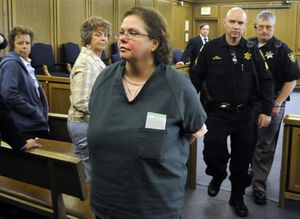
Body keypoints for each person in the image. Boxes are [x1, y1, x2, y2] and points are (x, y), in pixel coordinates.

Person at [87, 6, 207, 219]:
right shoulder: (104, 80)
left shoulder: (178, 86)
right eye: (121, 32)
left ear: (155, 42)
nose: (123, 38)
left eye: (133, 33)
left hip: (154, 207)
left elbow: (197, 129)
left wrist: (166, 144)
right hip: (106, 206)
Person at [190, 7, 274, 217]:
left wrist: (266, 110)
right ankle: (217, 175)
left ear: (246, 26)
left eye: (241, 23)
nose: (236, 27)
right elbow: (195, 80)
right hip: (217, 113)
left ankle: (237, 196)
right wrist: (192, 108)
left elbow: (266, 81)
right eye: (233, 22)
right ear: (225, 23)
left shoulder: (253, 49)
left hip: (245, 114)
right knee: (212, 151)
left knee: (242, 157)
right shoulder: (210, 49)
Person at [249, 11, 300, 205]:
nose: (264, 30)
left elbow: (292, 81)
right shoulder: (248, 45)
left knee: (265, 145)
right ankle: (252, 171)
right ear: (256, 26)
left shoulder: (281, 49)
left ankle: (259, 185)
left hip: (272, 105)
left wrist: (277, 103)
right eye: (260, 26)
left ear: (274, 28)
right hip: (248, 105)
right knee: (249, 141)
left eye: (268, 27)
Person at [67, 16, 111, 182]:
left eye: (106, 35)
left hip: (84, 123)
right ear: (88, 37)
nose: (103, 38)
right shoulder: (86, 62)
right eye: (98, 34)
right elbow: (81, 102)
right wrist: (106, 113)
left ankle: (81, 202)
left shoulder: (94, 59)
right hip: (83, 124)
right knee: (91, 173)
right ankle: (89, 206)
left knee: (82, 171)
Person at [0, 26, 49, 139]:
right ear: (12, 45)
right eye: (20, 43)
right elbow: (9, 95)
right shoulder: (11, 64)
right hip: (24, 126)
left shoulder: (26, 64)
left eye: (27, 43)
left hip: (32, 123)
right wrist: (34, 111)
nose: (25, 46)